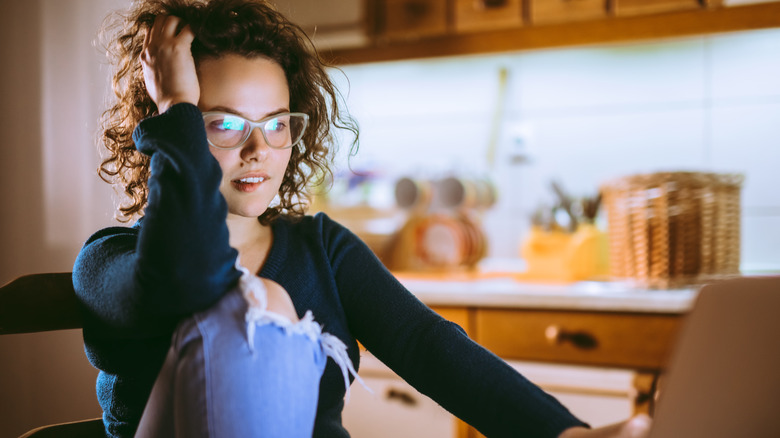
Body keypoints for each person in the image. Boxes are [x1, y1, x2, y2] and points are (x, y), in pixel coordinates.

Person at [72, 0, 652, 436]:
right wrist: (177, 106)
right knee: (261, 305)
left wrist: (566, 433)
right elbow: (190, 278)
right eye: (222, 123)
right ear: (166, 136)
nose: (259, 150)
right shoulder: (108, 262)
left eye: (277, 123)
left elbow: (428, 346)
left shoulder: (321, 248)